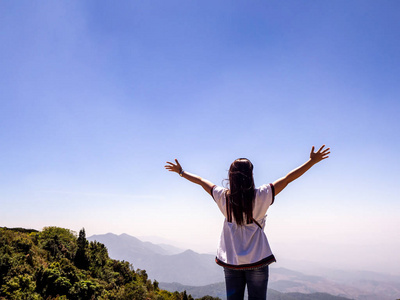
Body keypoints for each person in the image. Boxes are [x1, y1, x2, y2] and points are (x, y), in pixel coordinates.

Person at [165, 145, 330, 300]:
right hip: (258, 259)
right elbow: (287, 179)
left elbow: (201, 181)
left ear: (231, 176)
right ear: (251, 175)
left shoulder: (223, 197)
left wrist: (181, 172)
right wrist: (311, 162)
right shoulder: (262, 195)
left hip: (231, 261)